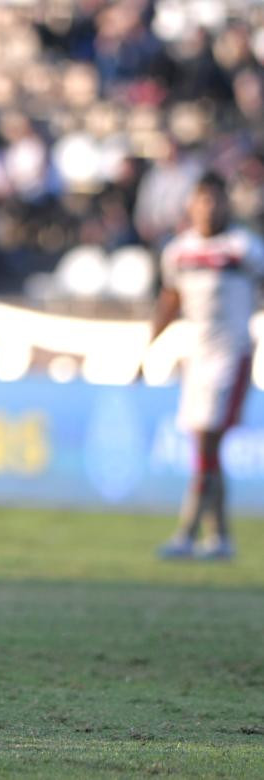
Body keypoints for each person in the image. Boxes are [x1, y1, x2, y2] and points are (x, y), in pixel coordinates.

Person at [151, 173, 264, 560]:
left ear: (225, 204)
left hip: (231, 355)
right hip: (195, 357)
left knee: (205, 443)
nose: (209, 207)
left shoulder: (243, 247)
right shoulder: (178, 251)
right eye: (202, 199)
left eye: (216, 200)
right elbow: (171, 298)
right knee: (207, 448)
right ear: (191, 204)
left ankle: (187, 532)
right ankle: (220, 538)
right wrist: (150, 344)